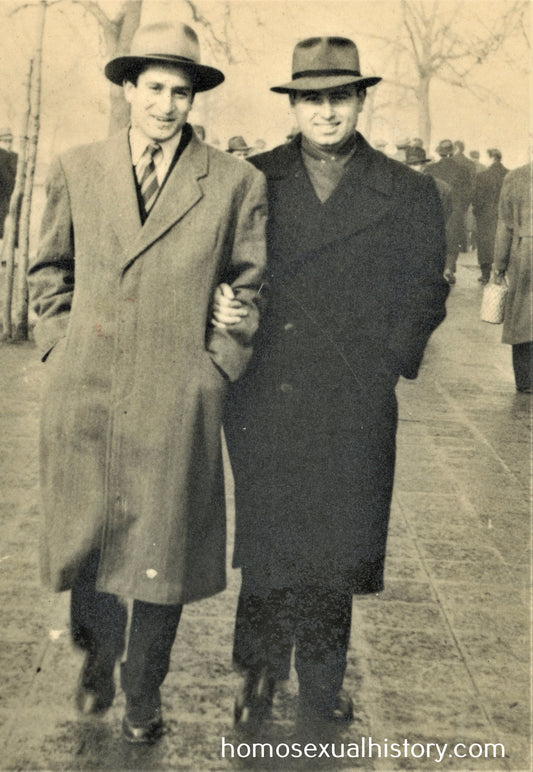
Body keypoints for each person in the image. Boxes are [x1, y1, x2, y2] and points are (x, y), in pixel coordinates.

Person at [28, 22, 266, 745]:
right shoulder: (77, 168)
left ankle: (143, 691)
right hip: (88, 390)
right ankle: (97, 658)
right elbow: (49, 274)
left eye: (181, 92)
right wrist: (58, 348)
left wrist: (215, 366)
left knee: (162, 552)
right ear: (128, 89)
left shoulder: (233, 183)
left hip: (175, 396)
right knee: (91, 541)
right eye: (155, 88)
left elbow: (248, 287)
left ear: (194, 101)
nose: (166, 105)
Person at [214, 35, 449, 729]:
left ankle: (320, 683)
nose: (325, 112)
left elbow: (426, 290)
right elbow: (226, 269)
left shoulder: (408, 191)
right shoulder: (254, 178)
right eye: (311, 99)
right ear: (294, 104)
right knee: (268, 543)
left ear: (360, 100)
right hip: (267, 393)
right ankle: (256, 677)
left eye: (338, 97)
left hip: (354, 396)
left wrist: (384, 362)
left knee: (335, 544)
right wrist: (227, 311)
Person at [492, 162, 532, 393]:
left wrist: (499, 264)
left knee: (522, 317)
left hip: (524, 254)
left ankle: (526, 380)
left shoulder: (516, 177)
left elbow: (505, 225)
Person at [425, 139, 471, 284]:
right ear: (452, 152)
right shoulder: (463, 170)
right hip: (455, 211)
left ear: (439, 153)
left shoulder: (430, 169)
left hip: (434, 210)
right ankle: (449, 269)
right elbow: (468, 193)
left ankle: (434, 269)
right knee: (452, 240)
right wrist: (461, 209)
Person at [472, 149, 508, 283]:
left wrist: (477, 212)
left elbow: (476, 198)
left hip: (485, 216)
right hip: (503, 216)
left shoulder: (482, 176)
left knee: (484, 244)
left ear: (492, 158)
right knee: (502, 242)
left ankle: (485, 274)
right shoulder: (508, 174)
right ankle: (500, 273)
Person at [404, 145, 452, 222]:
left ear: (424, 165)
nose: (412, 168)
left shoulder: (441, 187)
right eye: (409, 165)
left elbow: (446, 213)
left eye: (416, 164)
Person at [0, 127, 17, 244]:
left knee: (13, 225)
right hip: (1, 195)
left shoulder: (16, 156)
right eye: (5, 141)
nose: (8, 144)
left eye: (10, 141)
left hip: (13, 194)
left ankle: (10, 257)